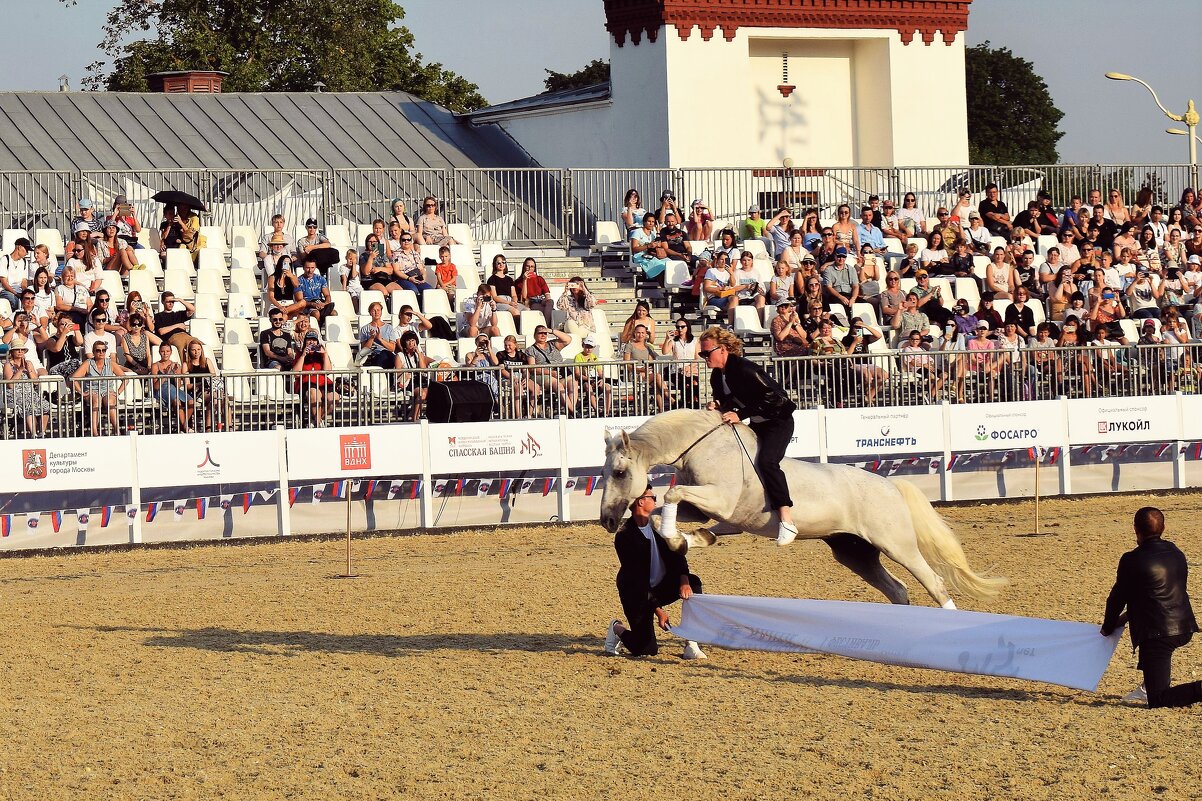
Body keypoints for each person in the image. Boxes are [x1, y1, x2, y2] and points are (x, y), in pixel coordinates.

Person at [699, 327, 798, 545]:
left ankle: (786, 520)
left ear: (723, 349)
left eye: (707, 353)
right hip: (757, 423)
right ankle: (732, 520)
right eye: (702, 354)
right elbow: (731, 401)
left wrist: (740, 414)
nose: (704, 357)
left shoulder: (745, 369)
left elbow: (778, 398)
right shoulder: (718, 375)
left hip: (778, 422)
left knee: (767, 462)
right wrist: (718, 405)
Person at [1101, 507, 1202, 709]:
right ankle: (1146, 686)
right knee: (1153, 662)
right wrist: (1128, 615)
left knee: (1158, 700)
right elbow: (1158, 591)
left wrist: (1108, 626)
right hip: (1184, 624)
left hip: (1158, 633)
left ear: (1136, 530)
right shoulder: (1175, 552)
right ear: (1163, 527)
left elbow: (1117, 598)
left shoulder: (1131, 559)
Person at [603, 487, 706, 660]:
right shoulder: (625, 536)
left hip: (661, 586)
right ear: (641, 501)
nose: (656, 501)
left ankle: (691, 643)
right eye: (653, 497)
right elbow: (637, 581)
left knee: (693, 582)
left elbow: (677, 554)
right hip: (636, 594)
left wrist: (684, 580)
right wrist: (658, 610)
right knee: (646, 649)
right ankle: (616, 628)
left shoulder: (661, 524)